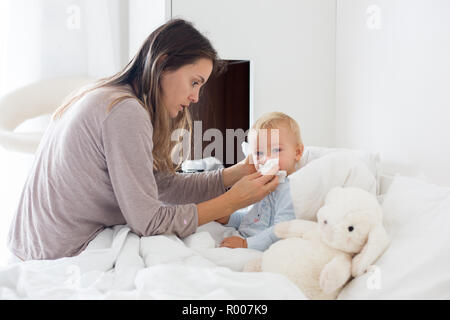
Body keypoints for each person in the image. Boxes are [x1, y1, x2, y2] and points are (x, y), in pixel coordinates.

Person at [7, 19, 279, 261]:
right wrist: (230, 203)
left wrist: (236, 174)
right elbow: (148, 221)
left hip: (31, 245)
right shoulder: (125, 111)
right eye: (194, 82)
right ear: (163, 63)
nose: (196, 97)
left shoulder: (107, 93)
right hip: (57, 254)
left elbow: (161, 185)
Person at [219, 112, 304, 251]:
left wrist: (246, 244)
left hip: (262, 248)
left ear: (298, 152)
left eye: (276, 150)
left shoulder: (290, 189)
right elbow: (253, 220)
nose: (265, 159)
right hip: (243, 237)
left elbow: (281, 231)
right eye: (259, 153)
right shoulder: (262, 184)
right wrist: (229, 218)